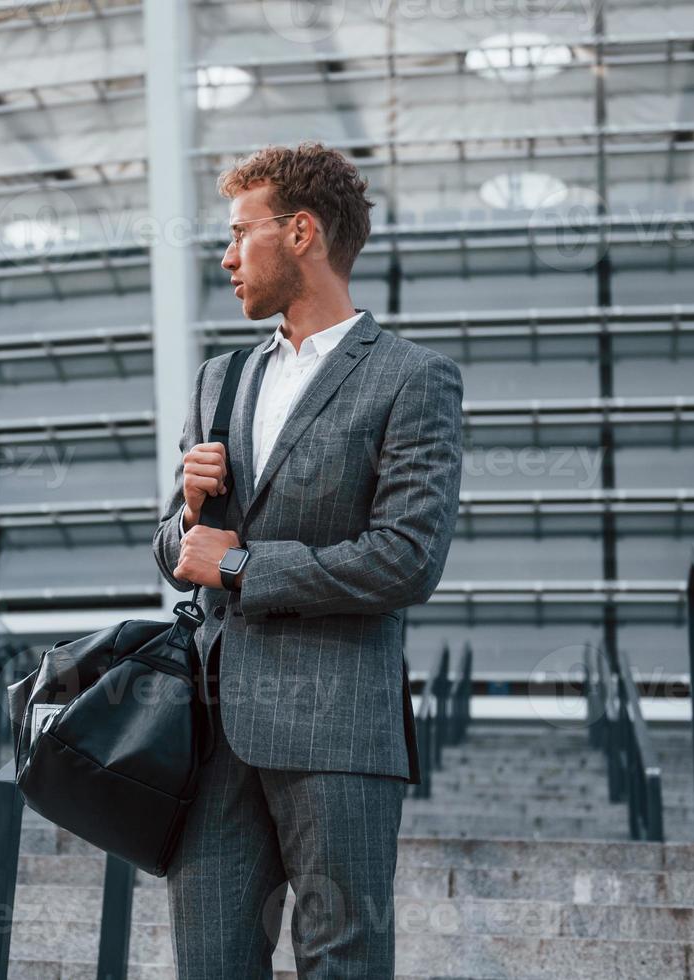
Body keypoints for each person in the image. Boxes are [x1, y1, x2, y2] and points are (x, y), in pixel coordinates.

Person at [152, 140, 465, 978]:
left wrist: (247, 566)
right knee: (209, 964)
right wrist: (185, 517)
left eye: (239, 232)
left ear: (301, 233)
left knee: (343, 963)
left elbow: (407, 559)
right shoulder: (219, 379)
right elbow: (181, 552)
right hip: (210, 735)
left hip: (338, 727)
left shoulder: (411, 379)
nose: (225, 256)